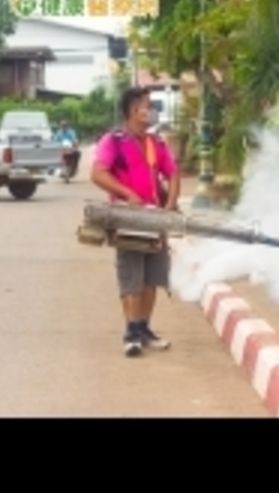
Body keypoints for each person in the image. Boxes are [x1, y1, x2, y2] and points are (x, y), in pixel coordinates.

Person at [90, 87, 180, 357]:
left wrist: (171, 204)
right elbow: (97, 174)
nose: (152, 111)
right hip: (127, 218)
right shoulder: (113, 141)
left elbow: (173, 173)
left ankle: (143, 328)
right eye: (147, 106)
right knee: (131, 274)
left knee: (153, 275)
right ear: (133, 111)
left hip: (155, 218)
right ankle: (131, 332)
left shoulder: (156, 143)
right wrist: (127, 193)